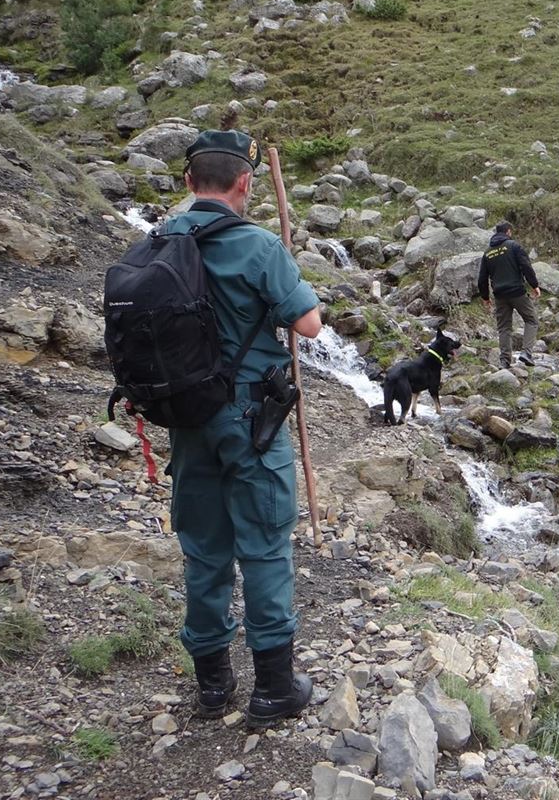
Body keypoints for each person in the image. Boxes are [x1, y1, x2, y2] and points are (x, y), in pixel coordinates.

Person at [163, 130, 322, 725]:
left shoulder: (158, 240)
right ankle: (274, 689)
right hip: (252, 420)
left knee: (203, 550)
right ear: (245, 183)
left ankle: (211, 687)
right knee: (263, 545)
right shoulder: (258, 246)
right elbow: (308, 326)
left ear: (188, 184)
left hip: (185, 420)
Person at [476, 221, 541, 368]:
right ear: (508, 232)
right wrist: (534, 285)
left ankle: (504, 361)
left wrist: (485, 297)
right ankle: (526, 353)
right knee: (532, 320)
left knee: (504, 328)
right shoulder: (513, 246)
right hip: (517, 292)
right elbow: (526, 266)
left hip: (499, 296)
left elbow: (482, 279)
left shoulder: (487, 253)